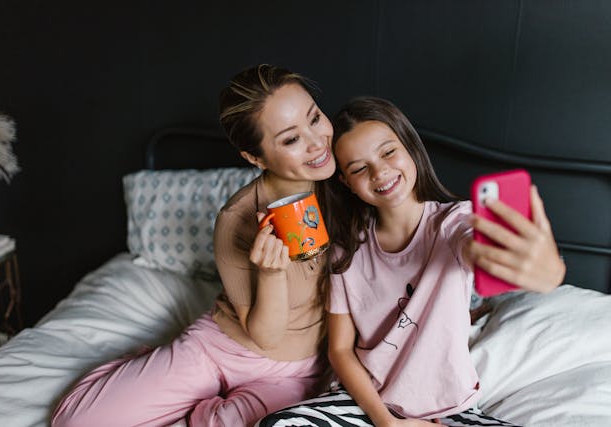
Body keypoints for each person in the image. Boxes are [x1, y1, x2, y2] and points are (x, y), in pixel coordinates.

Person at [51, 64, 337, 427]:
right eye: (291, 139)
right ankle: (146, 371)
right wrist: (270, 273)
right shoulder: (237, 218)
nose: (316, 142)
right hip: (221, 347)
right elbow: (264, 335)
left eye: (315, 118)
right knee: (75, 422)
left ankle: (202, 410)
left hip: (291, 373)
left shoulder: (348, 183)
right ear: (256, 158)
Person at [256, 97, 565, 427]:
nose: (380, 171)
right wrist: (388, 423)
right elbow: (340, 351)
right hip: (366, 404)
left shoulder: (454, 224)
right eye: (359, 168)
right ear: (346, 182)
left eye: (388, 152)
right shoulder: (345, 253)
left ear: (409, 147)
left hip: (449, 408)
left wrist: (549, 271)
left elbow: (476, 248)